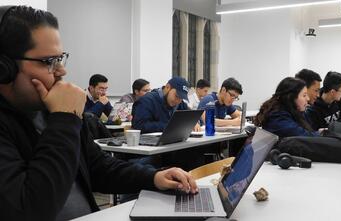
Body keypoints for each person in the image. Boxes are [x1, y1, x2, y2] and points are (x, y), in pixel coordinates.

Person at [0, 6, 197, 221]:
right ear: (5, 68)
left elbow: (99, 167)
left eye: (60, 59)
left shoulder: (50, 112)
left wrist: (155, 177)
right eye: (49, 61)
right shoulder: (58, 116)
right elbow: (29, 209)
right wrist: (65, 120)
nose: (62, 71)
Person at [254, 77, 318, 138]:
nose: (308, 98)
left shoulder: (295, 112)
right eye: (304, 95)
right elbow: (303, 136)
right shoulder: (277, 117)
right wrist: (321, 134)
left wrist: (319, 133)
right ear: (291, 98)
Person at [132, 76, 199, 133]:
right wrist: (169, 126)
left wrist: (193, 122)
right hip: (147, 145)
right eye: (176, 96)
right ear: (167, 87)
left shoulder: (179, 102)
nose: (178, 101)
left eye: (182, 98)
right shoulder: (146, 101)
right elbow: (139, 125)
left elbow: (189, 114)